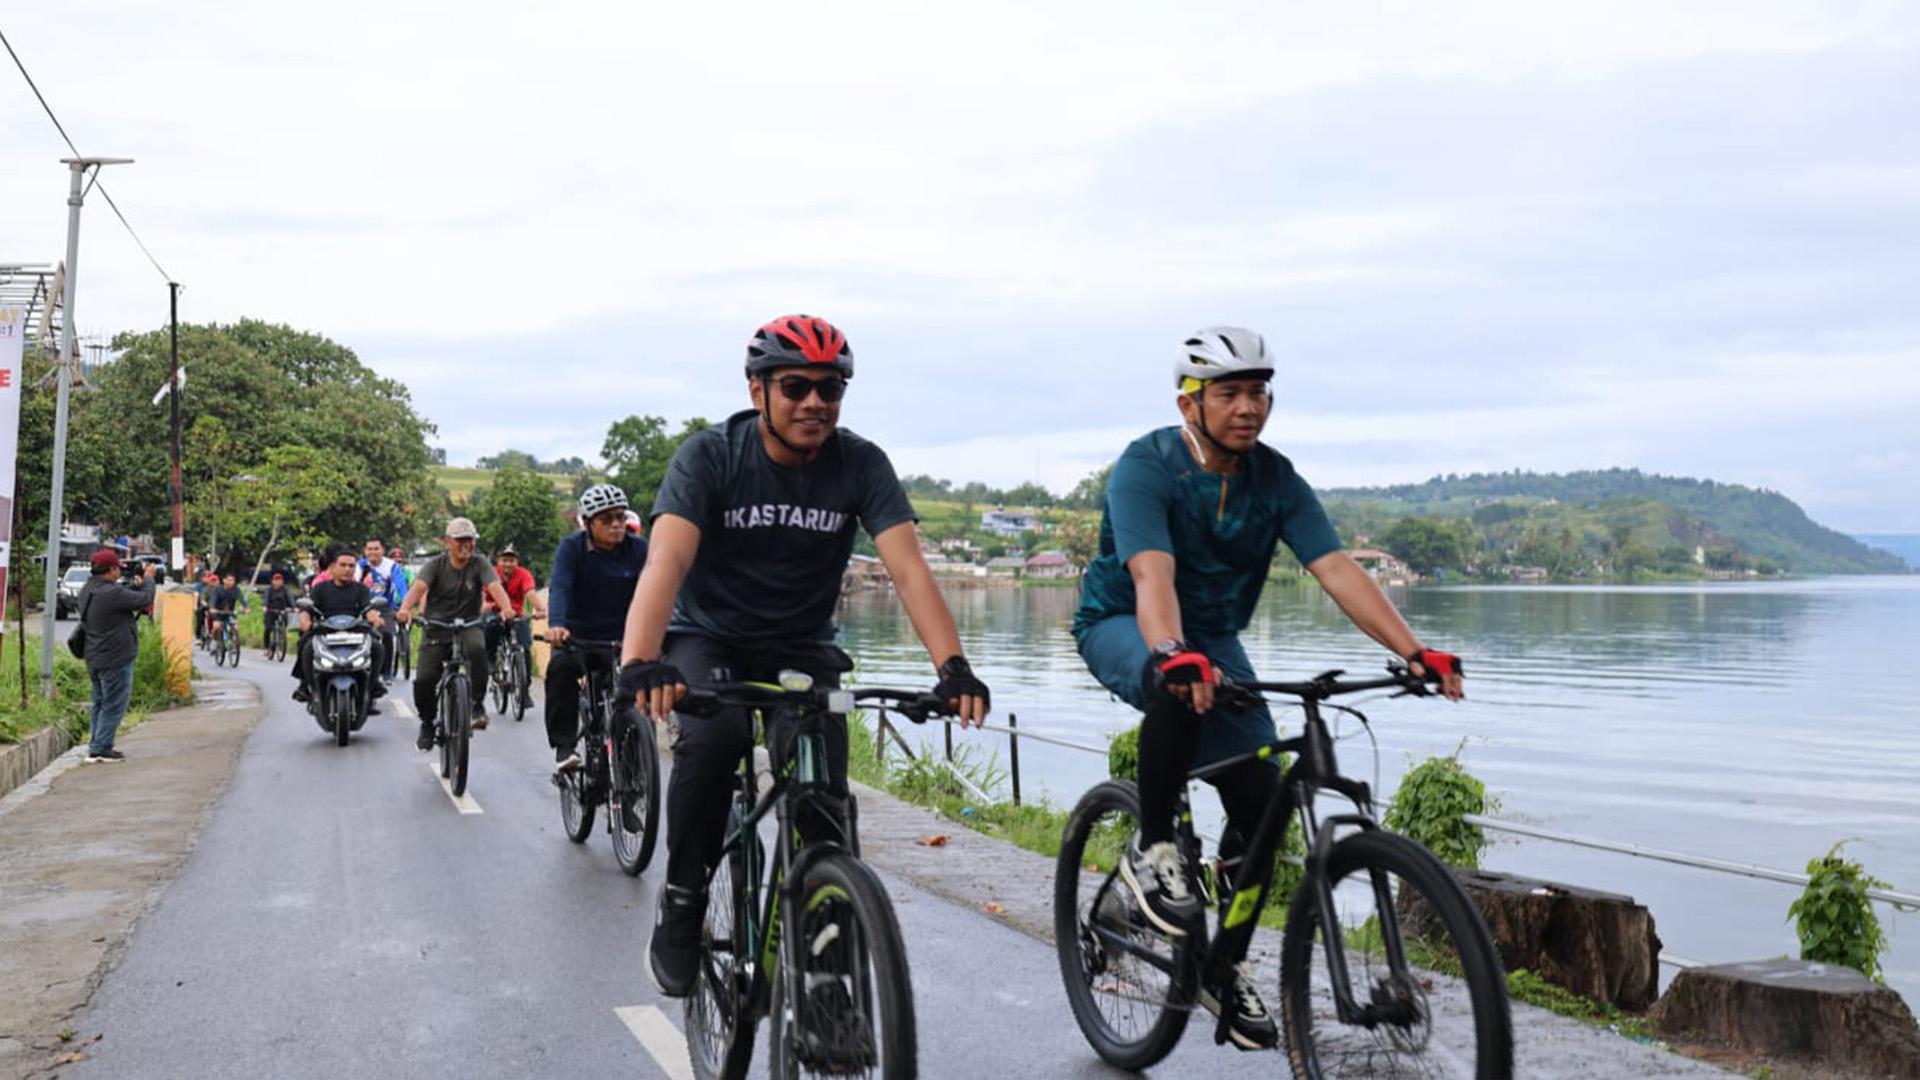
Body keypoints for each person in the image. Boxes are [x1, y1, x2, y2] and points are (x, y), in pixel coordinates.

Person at [1072, 326, 1465, 1050]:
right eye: (1228, 393)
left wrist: (1416, 651)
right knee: (1176, 689)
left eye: (1258, 392)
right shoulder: (1146, 467)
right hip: (1128, 620)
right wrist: (1169, 652)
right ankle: (1152, 849)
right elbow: (1151, 575)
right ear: (1190, 404)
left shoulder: (1276, 479)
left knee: (1260, 800)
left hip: (1216, 640)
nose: (1247, 407)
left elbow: (1337, 568)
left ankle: (1220, 958)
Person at [619, 313, 992, 996]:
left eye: (831, 388)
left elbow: (909, 570)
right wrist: (641, 659)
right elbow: (666, 560)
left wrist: (954, 668)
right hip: (709, 638)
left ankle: (826, 973)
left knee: (821, 791)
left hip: (802, 647)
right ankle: (683, 900)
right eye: (796, 386)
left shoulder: (860, 464)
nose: (815, 403)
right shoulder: (710, 456)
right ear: (758, 389)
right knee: (714, 738)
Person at [395, 518, 519, 752]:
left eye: (470, 540)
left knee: (477, 650)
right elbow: (418, 588)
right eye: (461, 540)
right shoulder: (435, 565)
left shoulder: (480, 563)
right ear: (447, 542)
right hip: (436, 626)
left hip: (468, 624)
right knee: (423, 679)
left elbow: (494, 587)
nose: (467, 545)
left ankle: (477, 704)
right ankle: (428, 722)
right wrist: (404, 609)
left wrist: (506, 608)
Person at [546, 484, 646, 772]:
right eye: (607, 519)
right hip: (580, 639)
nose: (616, 524)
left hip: (624, 640)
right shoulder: (572, 549)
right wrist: (557, 625)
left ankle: (637, 753)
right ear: (588, 524)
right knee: (561, 669)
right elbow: (561, 587)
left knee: (639, 688)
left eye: (620, 517)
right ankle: (565, 746)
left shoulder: (638, 549)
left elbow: (658, 587)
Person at [77, 549, 162, 763]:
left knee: (100, 702)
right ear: (111, 569)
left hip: (94, 656)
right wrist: (150, 579)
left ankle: (96, 745)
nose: (119, 573)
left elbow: (125, 595)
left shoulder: (89, 589)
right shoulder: (112, 594)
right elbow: (144, 599)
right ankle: (101, 747)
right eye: (118, 569)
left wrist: (135, 585)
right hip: (115, 657)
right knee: (114, 703)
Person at [292, 546, 389, 706]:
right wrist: (305, 621)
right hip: (324, 630)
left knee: (378, 646)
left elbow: (368, 608)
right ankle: (306, 685)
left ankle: (372, 685)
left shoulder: (361, 589)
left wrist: (375, 618)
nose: (347, 569)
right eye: (343, 565)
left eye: (351, 566)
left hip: (355, 630)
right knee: (306, 645)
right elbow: (306, 609)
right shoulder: (320, 588)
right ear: (332, 567)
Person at [481, 542, 546, 711]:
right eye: (504, 560)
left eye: (512, 560)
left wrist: (540, 608)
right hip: (494, 611)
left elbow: (530, 592)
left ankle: (524, 690)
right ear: (498, 561)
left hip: (516, 614)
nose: (508, 564)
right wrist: (485, 606)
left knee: (524, 647)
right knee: (490, 627)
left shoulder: (524, 574)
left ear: (517, 562)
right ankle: (491, 660)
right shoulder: (491, 574)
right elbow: (481, 596)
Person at [359, 538, 410, 683]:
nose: (373, 552)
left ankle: (386, 672)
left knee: (387, 634)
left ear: (383, 551)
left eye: (376, 549)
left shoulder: (392, 566)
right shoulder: (359, 566)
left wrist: (405, 607)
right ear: (365, 551)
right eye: (370, 549)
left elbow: (402, 588)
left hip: (386, 605)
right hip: (363, 606)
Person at [204, 572, 248, 648]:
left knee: (235, 626)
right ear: (224, 580)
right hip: (218, 612)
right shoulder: (218, 589)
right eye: (229, 580)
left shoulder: (236, 590)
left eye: (233, 580)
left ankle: (234, 644)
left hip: (230, 612)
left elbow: (241, 599)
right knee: (216, 626)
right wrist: (212, 608)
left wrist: (246, 607)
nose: (231, 582)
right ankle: (215, 640)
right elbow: (213, 600)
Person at [260, 571, 296, 652]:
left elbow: (290, 598)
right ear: (273, 581)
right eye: (276, 580)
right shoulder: (269, 590)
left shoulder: (285, 590)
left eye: (280, 580)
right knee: (268, 629)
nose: (278, 582)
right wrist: (265, 607)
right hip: (271, 611)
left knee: (284, 623)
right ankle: (267, 647)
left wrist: (294, 607)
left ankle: (282, 639)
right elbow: (266, 598)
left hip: (282, 611)